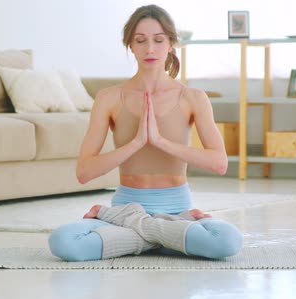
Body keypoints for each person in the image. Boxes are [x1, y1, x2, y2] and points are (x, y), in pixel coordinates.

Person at [48, 4, 243, 261]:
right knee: (63, 242)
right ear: (130, 44)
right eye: (140, 41)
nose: (150, 49)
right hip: (128, 208)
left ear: (171, 43)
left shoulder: (193, 98)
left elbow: (219, 164)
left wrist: (160, 141)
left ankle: (142, 237)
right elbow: (84, 172)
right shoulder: (109, 98)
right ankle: (168, 238)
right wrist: (136, 142)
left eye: (159, 40)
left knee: (228, 240)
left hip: (169, 213)